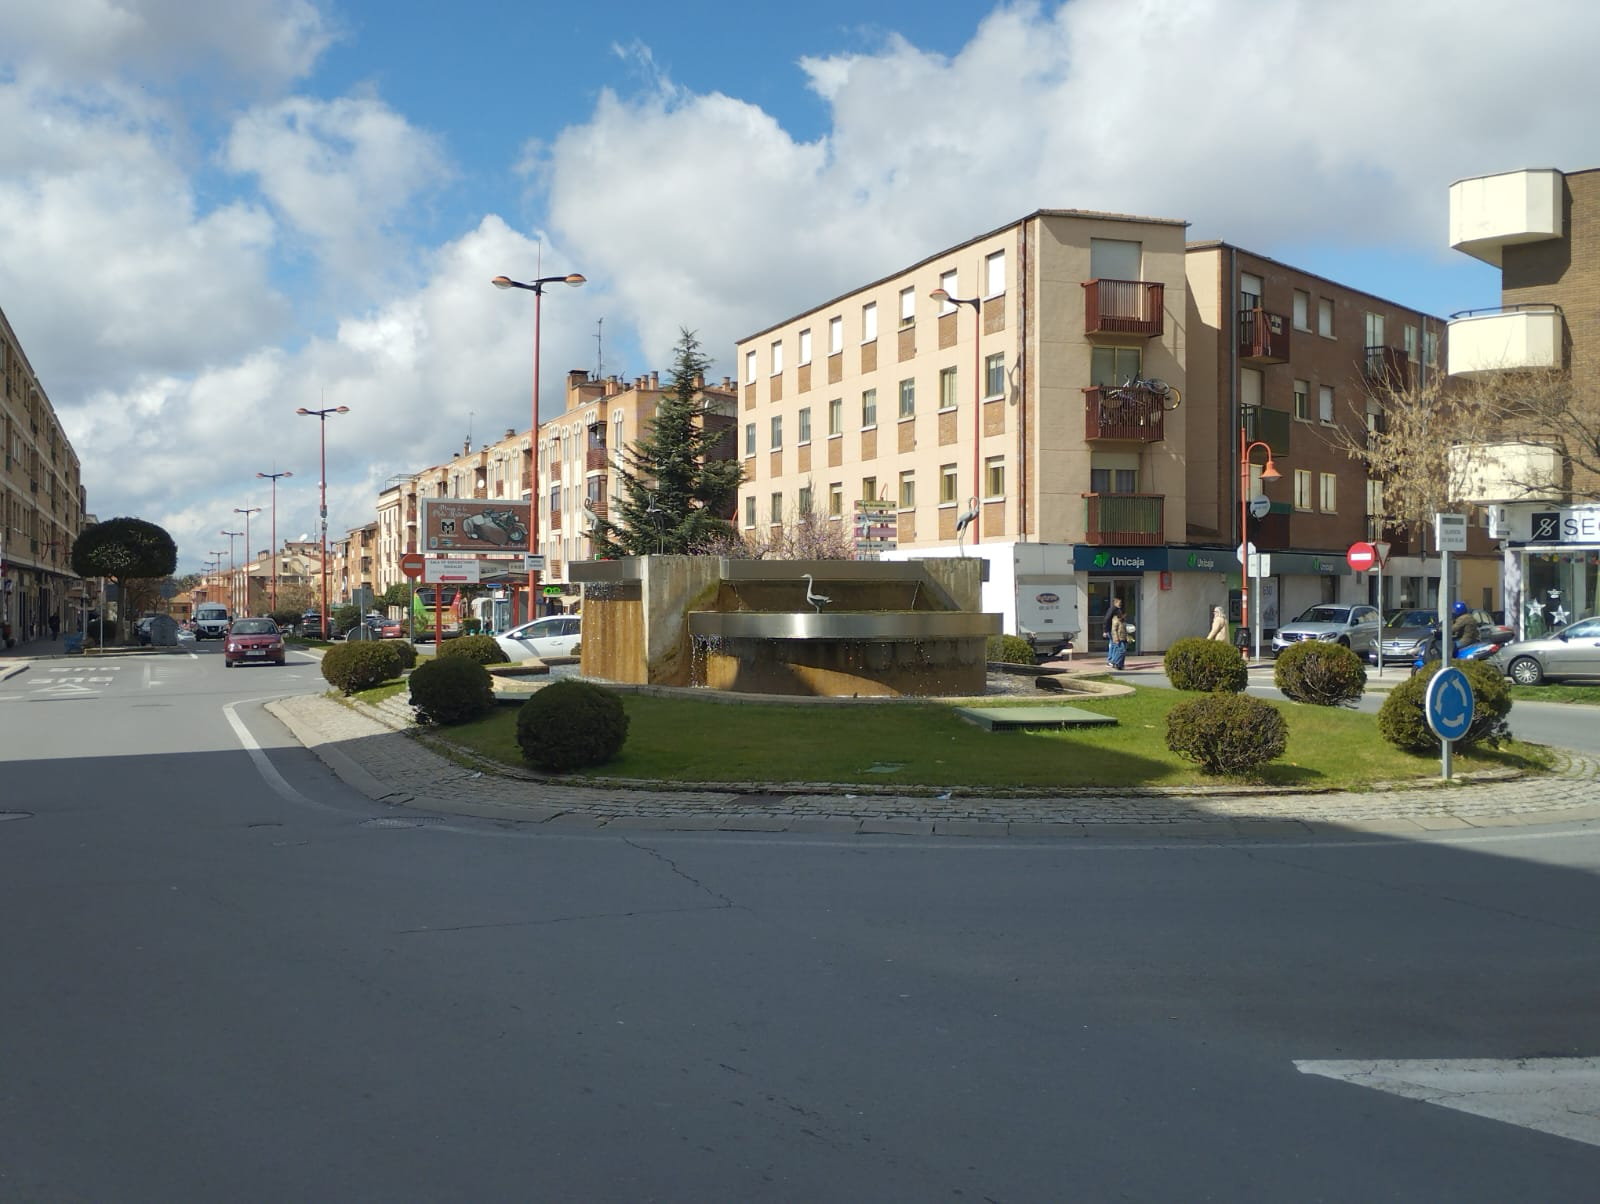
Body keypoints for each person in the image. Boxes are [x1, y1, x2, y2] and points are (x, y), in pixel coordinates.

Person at [1106, 600, 1128, 670]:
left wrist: (1127, 637)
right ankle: (1114, 662)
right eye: (1124, 615)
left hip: (1123, 637)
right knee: (1121, 651)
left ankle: (1120, 665)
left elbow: (1125, 630)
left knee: (1123, 652)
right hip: (1119, 638)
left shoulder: (1123, 621)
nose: (1124, 616)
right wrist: (1116, 639)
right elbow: (1114, 630)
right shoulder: (1116, 620)